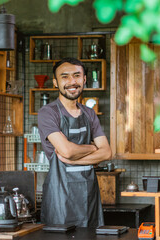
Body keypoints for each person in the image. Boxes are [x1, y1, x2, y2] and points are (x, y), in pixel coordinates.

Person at [37, 57, 112, 227]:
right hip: (60, 197)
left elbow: (107, 152)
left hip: (89, 195)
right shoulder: (48, 113)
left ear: (84, 79)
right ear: (55, 83)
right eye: (65, 77)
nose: (72, 82)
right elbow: (67, 150)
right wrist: (93, 148)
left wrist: (71, 159)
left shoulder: (89, 113)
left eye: (77, 76)